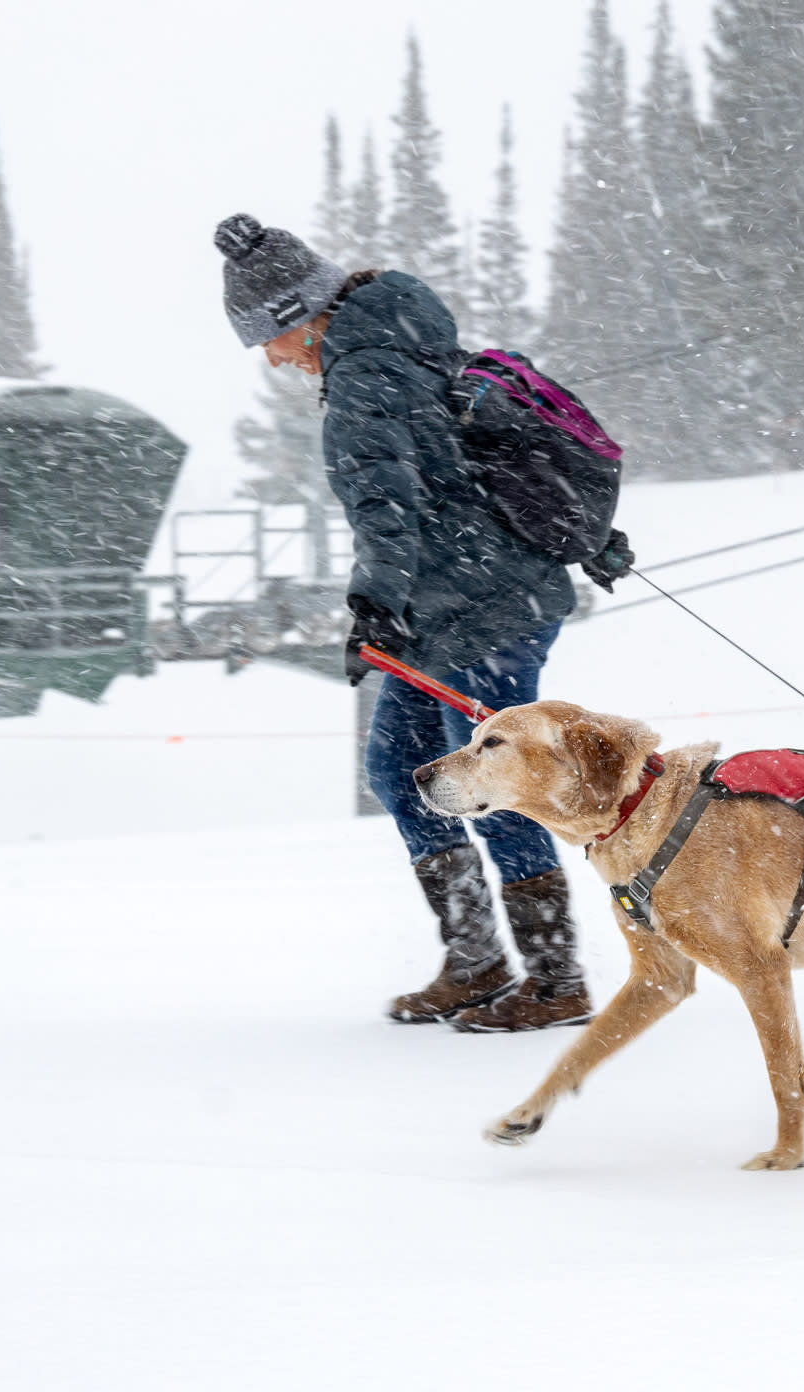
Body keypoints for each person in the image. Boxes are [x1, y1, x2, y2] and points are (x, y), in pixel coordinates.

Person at [214, 212, 589, 1033]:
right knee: (398, 769)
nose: (274, 360)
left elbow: (388, 504)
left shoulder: (365, 373)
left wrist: (373, 606)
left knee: (498, 781)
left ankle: (556, 976)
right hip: (457, 607)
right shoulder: (402, 341)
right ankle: (477, 960)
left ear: (298, 319)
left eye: (269, 343)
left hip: (483, 607)